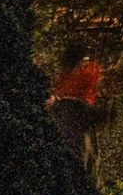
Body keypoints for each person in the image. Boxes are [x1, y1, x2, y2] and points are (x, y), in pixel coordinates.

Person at [45, 42, 114, 180]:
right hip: (73, 116)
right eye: (84, 62)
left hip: (77, 115)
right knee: (82, 154)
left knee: (84, 153)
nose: (86, 66)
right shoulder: (82, 72)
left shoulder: (86, 71)